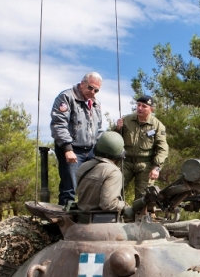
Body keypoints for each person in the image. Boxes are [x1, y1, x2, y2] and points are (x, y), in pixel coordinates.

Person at [50, 72, 103, 207]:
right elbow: (59, 124)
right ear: (82, 83)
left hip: (91, 151)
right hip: (72, 149)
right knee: (70, 188)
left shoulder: (96, 104)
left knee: (92, 187)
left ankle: (86, 221)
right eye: (90, 88)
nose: (93, 92)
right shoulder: (67, 97)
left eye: (96, 90)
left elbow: (98, 129)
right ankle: (64, 223)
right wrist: (67, 148)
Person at [115, 95, 168, 199]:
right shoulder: (126, 120)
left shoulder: (157, 126)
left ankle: (141, 215)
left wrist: (156, 167)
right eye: (138, 105)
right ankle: (116, 213)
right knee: (114, 189)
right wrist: (117, 128)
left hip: (145, 165)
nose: (139, 108)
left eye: (144, 106)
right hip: (126, 162)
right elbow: (115, 138)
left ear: (151, 109)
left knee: (143, 198)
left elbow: (163, 148)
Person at [75, 132, 131, 217]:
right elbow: (108, 204)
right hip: (102, 223)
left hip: (81, 218)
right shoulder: (114, 172)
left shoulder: (84, 166)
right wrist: (125, 206)